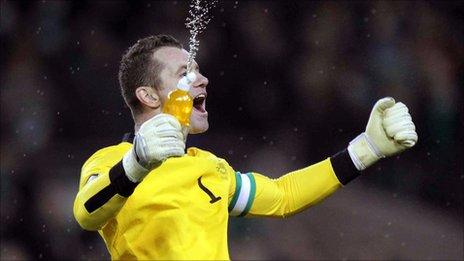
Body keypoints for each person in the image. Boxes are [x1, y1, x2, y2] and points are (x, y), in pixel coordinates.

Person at [73, 35, 418, 260]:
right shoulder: (112, 161)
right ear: (147, 95)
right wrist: (137, 162)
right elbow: (86, 213)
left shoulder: (209, 167)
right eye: (184, 73)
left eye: (198, 71)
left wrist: (366, 149)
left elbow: (283, 196)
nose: (202, 79)